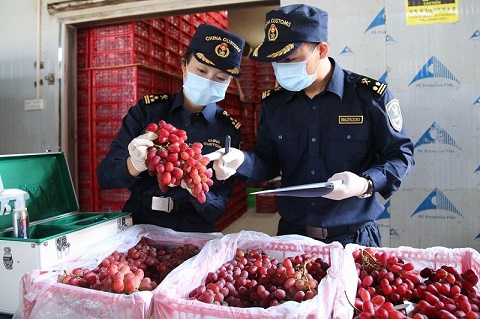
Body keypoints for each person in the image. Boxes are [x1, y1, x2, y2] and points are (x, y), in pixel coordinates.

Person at [207, 4, 415, 247]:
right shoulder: (275, 105)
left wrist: (365, 183)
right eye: (275, 61)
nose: (281, 68)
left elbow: (401, 154)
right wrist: (241, 162)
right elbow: (268, 161)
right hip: (291, 237)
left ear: (322, 50)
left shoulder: (367, 97)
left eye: (290, 58)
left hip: (354, 238)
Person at [96, 24, 245, 233]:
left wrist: (197, 192)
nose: (208, 81)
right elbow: (105, 176)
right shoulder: (147, 111)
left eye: (221, 78)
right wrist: (135, 164)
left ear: (229, 82)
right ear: (184, 65)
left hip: (194, 229)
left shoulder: (228, 129)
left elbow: (217, 209)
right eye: (201, 70)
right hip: (141, 222)